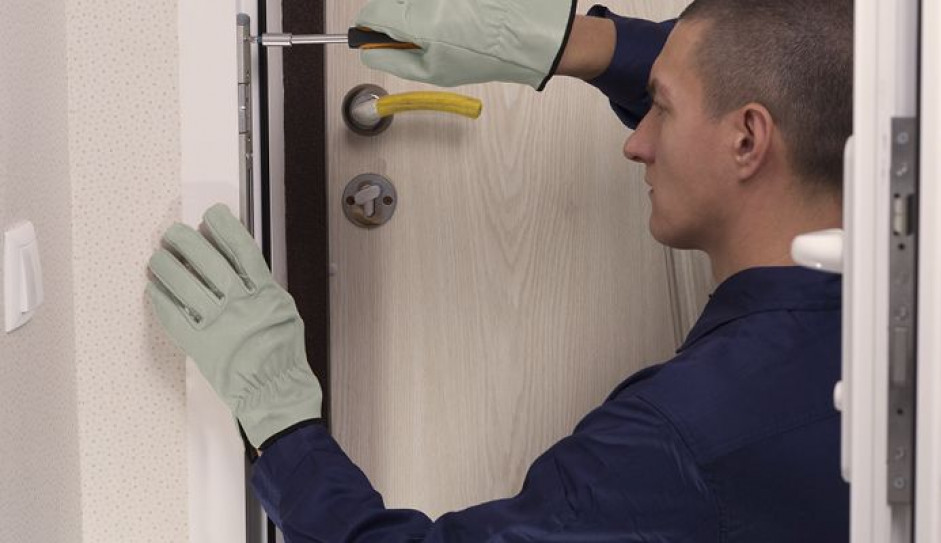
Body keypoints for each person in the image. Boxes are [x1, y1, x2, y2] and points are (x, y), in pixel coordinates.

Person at [145, 0, 852, 540]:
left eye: (661, 106)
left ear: (748, 138)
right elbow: (781, 75)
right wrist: (573, 43)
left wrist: (283, 422)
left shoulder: (683, 436)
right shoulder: (891, 301)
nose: (636, 142)